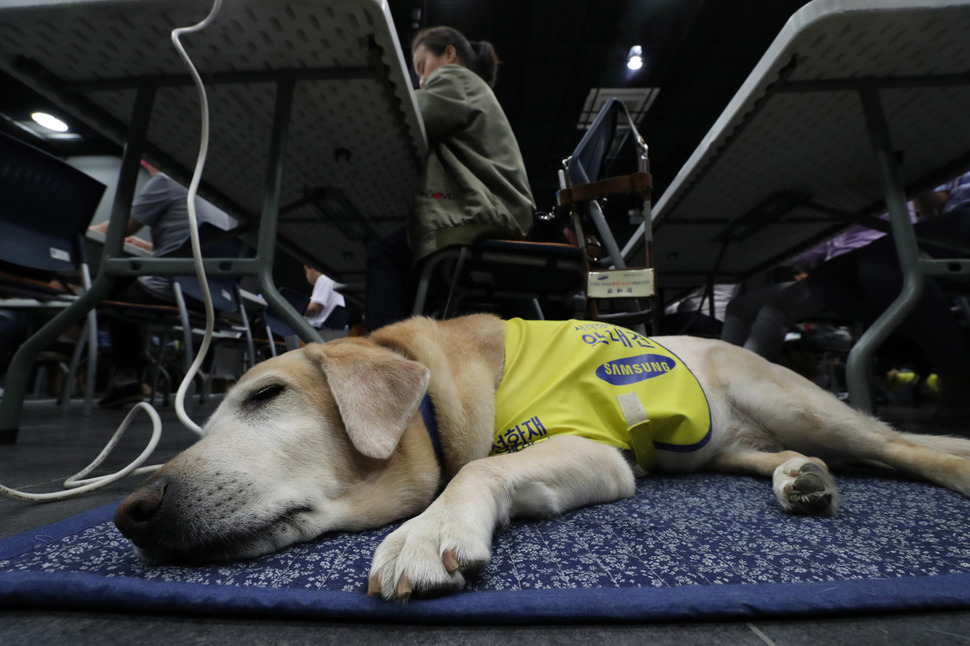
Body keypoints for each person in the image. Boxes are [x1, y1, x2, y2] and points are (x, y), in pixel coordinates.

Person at [722, 176, 970, 424]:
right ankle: (950, 341)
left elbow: (930, 197)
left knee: (780, 307)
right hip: (941, 222)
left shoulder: (872, 204)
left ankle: (738, 388)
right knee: (823, 281)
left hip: (932, 228)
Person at [364, 26, 535, 330]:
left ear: (449, 54)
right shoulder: (475, 89)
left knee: (384, 256)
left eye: (422, 66)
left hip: (481, 209)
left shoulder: (455, 77)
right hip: (501, 210)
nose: (421, 79)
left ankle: (384, 360)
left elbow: (409, 113)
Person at [89, 162, 231, 408]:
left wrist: (84, 229)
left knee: (108, 292)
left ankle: (126, 377)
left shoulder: (166, 179)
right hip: (207, 296)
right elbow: (195, 247)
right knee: (124, 288)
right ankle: (132, 370)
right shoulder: (214, 195)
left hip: (173, 290)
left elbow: (118, 229)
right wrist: (153, 250)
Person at [302, 265, 348, 330]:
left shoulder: (324, 279)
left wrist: (296, 310)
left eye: (305, 270)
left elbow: (313, 309)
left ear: (312, 268)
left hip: (320, 331)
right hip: (332, 330)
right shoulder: (330, 280)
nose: (306, 276)